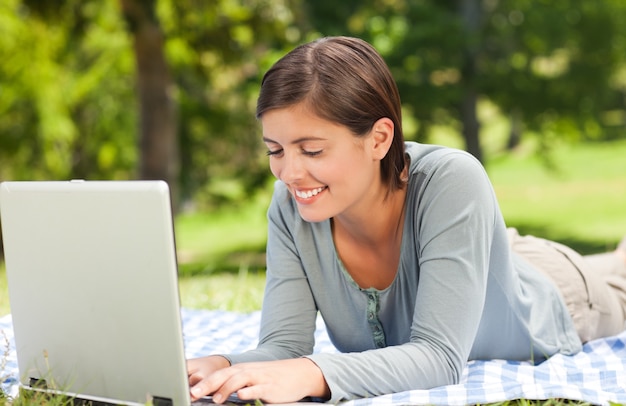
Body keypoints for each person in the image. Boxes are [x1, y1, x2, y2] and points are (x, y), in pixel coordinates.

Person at [187, 36, 626, 404]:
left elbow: (438, 357)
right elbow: (284, 348)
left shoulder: (453, 178)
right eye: (275, 150)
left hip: (556, 291)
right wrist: (224, 366)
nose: (289, 173)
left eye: (313, 150)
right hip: (475, 259)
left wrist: (313, 373)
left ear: (379, 138)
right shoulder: (290, 207)